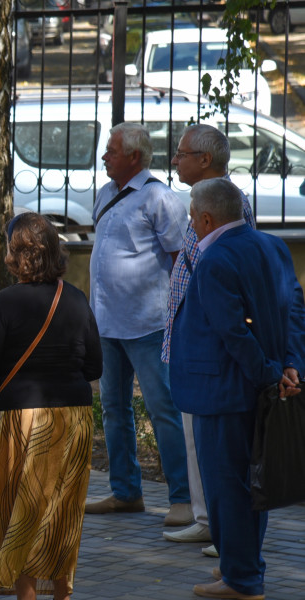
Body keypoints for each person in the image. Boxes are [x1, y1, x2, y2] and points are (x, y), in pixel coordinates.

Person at [0, 213, 102, 600]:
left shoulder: (3, 303)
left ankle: (26, 595)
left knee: (21, 513)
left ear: (15, 253)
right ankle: (62, 594)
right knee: (62, 510)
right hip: (75, 417)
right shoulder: (75, 297)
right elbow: (95, 366)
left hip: (21, 419)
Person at [171, 178, 302, 600]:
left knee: (228, 488)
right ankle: (238, 567)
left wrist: (269, 372)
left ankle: (243, 580)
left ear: (207, 218)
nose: (190, 224)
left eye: (192, 217)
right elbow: (294, 311)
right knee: (249, 486)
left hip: (224, 391)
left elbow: (232, 332)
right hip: (257, 386)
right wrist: (290, 366)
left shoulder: (215, 259)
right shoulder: (273, 246)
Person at [85, 122, 192, 527]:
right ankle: (126, 492)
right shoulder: (106, 193)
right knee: (113, 408)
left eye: (111, 150)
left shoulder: (159, 198)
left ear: (134, 156)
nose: (104, 156)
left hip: (149, 323)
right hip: (107, 322)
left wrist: (179, 315)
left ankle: (181, 497)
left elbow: (181, 258)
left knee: (163, 408)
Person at [161, 124, 257, 554]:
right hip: (191, 346)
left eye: (181, 154)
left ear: (205, 160)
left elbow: (236, 278)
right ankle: (207, 520)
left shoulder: (228, 203)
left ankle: (227, 530)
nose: (175, 160)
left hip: (213, 353)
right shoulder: (200, 202)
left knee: (220, 451)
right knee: (195, 439)